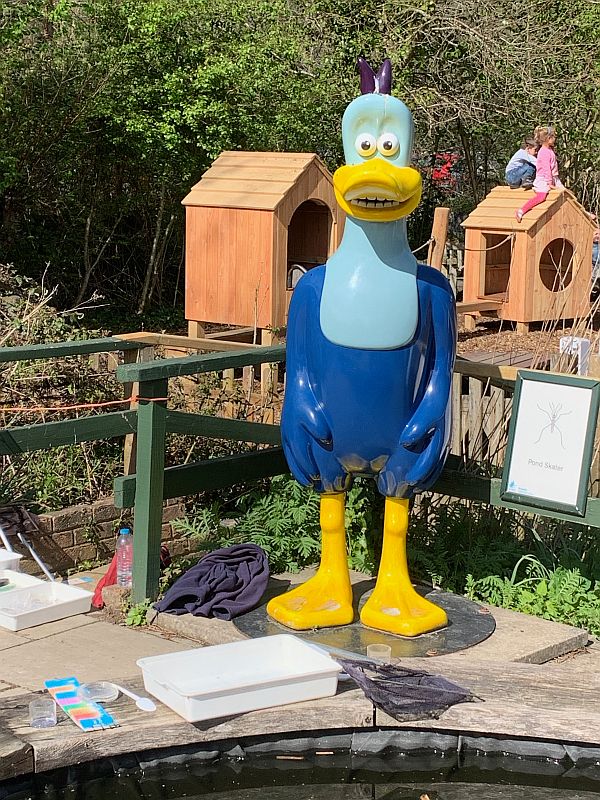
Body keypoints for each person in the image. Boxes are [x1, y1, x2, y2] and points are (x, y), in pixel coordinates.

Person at [515, 126, 564, 222]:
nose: (555, 139)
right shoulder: (543, 152)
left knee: (565, 193)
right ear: (548, 138)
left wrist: (554, 181)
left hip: (554, 177)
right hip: (544, 179)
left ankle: (585, 213)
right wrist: (550, 183)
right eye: (553, 137)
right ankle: (521, 210)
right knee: (541, 196)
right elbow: (546, 169)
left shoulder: (550, 150)